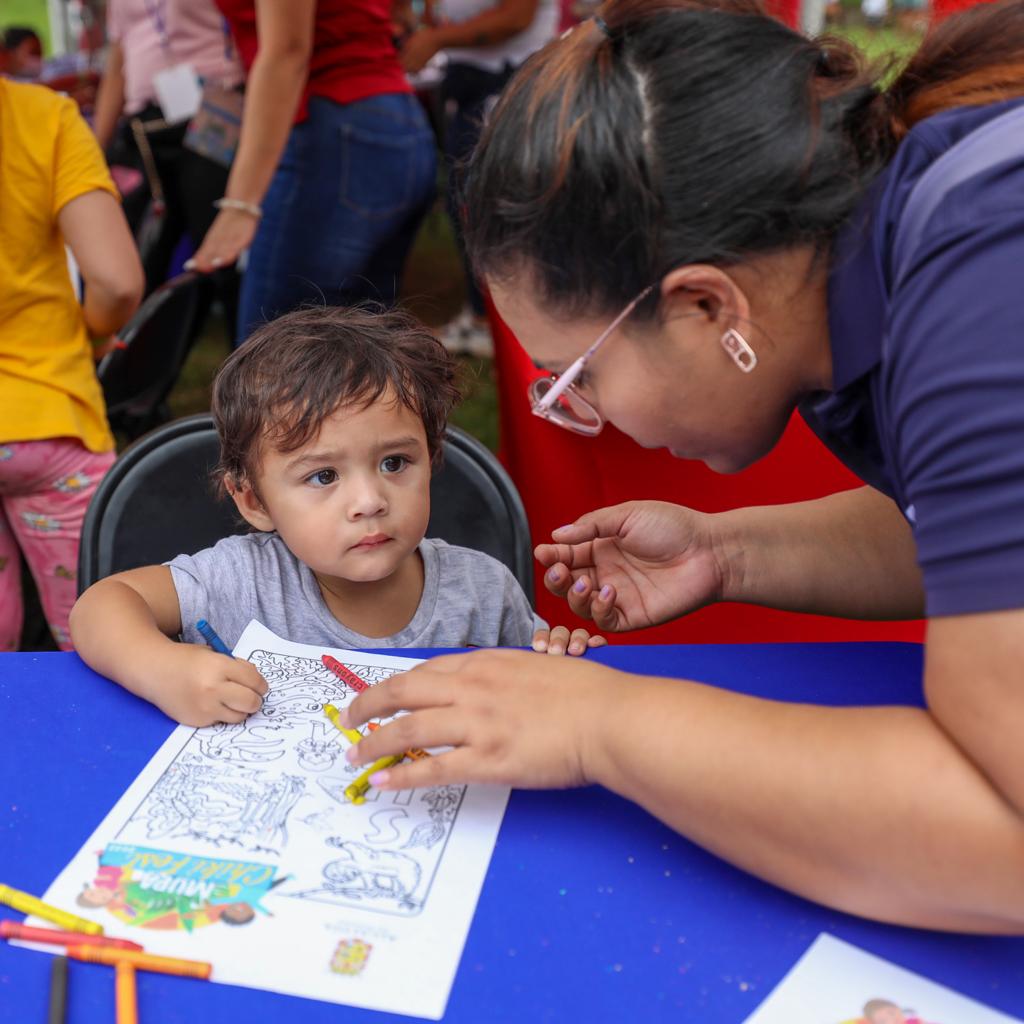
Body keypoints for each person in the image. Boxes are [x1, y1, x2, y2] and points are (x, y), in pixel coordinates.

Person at [337, 0, 1024, 933]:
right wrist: (730, 553)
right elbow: (971, 538)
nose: (588, 415)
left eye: (580, 374)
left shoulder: (982, 293)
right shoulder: (859, 270)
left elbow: (1002, 842)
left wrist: (600, 727)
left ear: (707, 306)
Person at [69, 306, 603, 726]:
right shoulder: (240, 581)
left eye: (395, 462)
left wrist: (558, 659)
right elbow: (101, 606)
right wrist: (163, 670)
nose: (370, 500)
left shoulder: (483, 592)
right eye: (323, 476)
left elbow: (537, 691)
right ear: (254, 501)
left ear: (431, 458)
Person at [185, 0, 437, 344]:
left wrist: (240, 204)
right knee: (363, 359)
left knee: (273, 358)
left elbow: (287, 51)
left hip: (334, 129)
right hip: (387, 124)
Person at [0, 78, 143, 652]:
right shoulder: (43, 116)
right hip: (48, 414)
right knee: (92, 632)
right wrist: (91, 331)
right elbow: (116, 280)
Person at [399, 0, 558, 357]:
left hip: (511, 82)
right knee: (467, 205)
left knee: (499, 211)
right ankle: (490, 316)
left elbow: (517, 16)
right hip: (473, 86)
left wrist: (437, 39)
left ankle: (506, 323)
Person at [91, 0, 244, 329]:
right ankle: (130, 363)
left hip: (212, 116)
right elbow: (118, 62)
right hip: (145, 127)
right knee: (139, 252)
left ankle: (249, 360)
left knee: (218, 255)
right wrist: (93, 152)